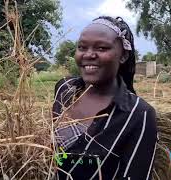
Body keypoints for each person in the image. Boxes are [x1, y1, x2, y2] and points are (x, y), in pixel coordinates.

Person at [52, 16, 158, 180]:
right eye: (82, 47)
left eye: (101, 48)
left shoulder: (139, 114)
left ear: (123, 56)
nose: (88, 55)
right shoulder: (64, 89)